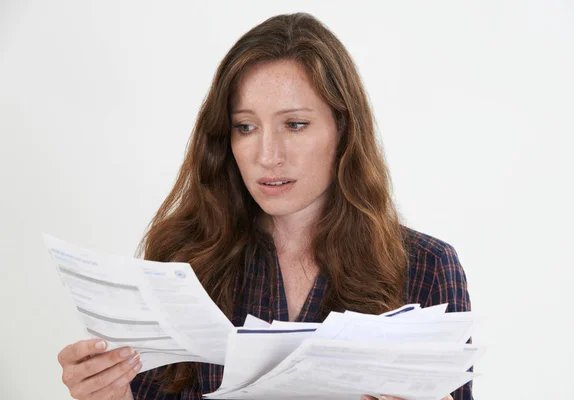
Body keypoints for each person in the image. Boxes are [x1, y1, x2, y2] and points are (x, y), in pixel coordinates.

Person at [56, 12, 471, 400]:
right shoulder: (179, 259)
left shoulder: (426, 267)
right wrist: (111, 395)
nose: (268, 155)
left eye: (295, 124)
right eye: (246, 127)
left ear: (342, 129)